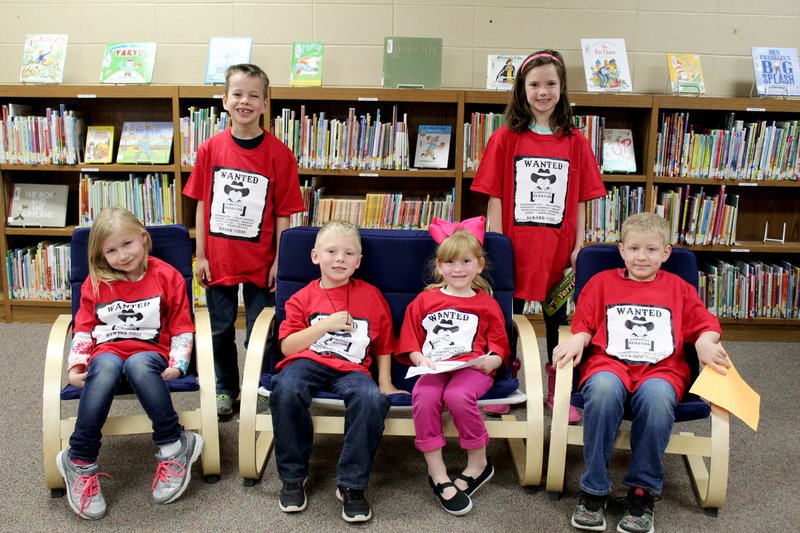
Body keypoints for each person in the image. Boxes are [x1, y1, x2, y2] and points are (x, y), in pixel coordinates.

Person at [552, 212, 730, 533]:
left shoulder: (679, 288)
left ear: (666, 253)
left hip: (662, 369)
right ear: (621, 250)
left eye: (651, 250)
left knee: (658, 396)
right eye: (634, 248)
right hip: (610, 364)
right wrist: (578, 338)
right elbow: (585, 324)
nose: (641, 257)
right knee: (604, 391)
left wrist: (705, 341)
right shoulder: (601, 283)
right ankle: (594, 490)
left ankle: (641, 490)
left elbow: (705, 325)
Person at [471, 49, 606, 422]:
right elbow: (495, 194)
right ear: (522, 89)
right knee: (507, 315)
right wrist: (496, 242)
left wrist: (580, 244)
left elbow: (580, 197)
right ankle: (505, 379)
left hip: (557, 250)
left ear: (562, 88)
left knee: (557, 318)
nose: (542, 92)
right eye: (534, 84)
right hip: (514, 246)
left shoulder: (575, 140)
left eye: (550, 84)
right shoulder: (505, 138)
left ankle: (558, 386)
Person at [56, 207, 203, 520]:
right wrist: (76, 365)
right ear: (100, 255)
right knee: (106, 365)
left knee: (137, 364)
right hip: (106, 351)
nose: (122, 255)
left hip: (149, 352)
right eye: (111, 250)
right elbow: (83, 328)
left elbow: (181, 326)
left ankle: (173, 445)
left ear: (143, 239)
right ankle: (79, 460)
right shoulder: (95, 284)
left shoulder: (167, 276)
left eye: (127, 244)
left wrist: (179, 363)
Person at [183, 63, 305, 417]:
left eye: (254, 95)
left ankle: (260, 386)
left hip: (263, 260)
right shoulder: (210, 150)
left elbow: (284, 213)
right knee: (219, 330)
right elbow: (202, 204)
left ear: (266, 104)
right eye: (237, 94)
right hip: (218, 258)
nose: (245, 101)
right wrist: (200, 255)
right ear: (224, 100)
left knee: (262, 332)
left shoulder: (281, 155)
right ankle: (225, 388)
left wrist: (280, 261)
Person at [269, 220, 405, 523]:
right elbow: (289, 347)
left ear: (358, 262)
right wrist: (324, 325)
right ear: (316, 256)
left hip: (353, 368)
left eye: (348, 253)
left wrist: (385, 382)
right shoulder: (302, 297)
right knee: (286, 388)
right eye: (331, 251)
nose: (340, 258)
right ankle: (293, 476)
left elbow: (384, 343)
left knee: (371, 399)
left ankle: (351, 485)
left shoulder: (371, 295)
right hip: (307, 361)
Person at [396, 216, 511, 516]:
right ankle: (438, 473)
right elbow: (410, 341)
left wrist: (492, 360)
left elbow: (500, 344)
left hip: (472, 369)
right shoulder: (425, 300)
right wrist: (420, 359)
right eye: (449, 262)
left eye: (465, 261)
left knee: (458, 396)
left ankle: (478, 464)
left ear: (480, 265)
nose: (457, 269)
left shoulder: (487, 303)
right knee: (424, 396)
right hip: (434, 367)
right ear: (439, 266)